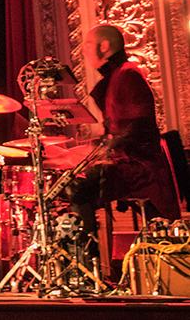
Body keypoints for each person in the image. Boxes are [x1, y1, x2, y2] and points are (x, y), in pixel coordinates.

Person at [67, 24, 180, 248]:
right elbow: (118, 130)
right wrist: (82, 149)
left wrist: (106, 146)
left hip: (141, 167)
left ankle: (87, 258)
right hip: (127, 163)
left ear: (104, 46)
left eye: (88, 44)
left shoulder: (129, 73)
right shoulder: (118, 76)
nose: (84, 51)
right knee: (72, 182)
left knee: (76, 187)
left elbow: (140, 126)